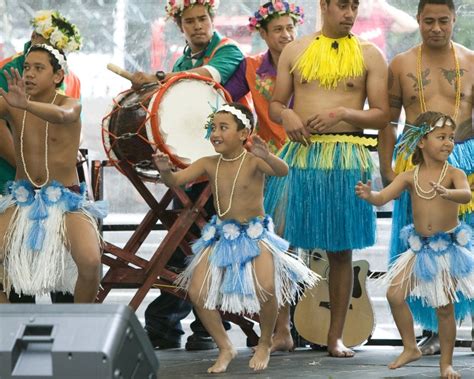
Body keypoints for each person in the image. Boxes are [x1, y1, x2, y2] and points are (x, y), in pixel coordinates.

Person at [153, 102, 318, 373]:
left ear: (244, 134)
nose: (215, 133)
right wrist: (164, 170)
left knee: (266, 287)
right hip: (221, 236)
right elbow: (176, 180)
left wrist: (267, 156)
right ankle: (225, 346)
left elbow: (282, 171)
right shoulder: (208, 163)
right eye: (213, 127)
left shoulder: (254, 161)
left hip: (255, 234)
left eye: (223, 127)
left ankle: (265, 342)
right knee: (196, 291)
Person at [264, 0, 389, 357]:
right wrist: (285, 114)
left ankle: (335, 336)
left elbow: (382, 115)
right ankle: (282, 329)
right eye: (341, 6)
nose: (349, 13)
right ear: (324, 5)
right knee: (283, 245)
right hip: (299, 156)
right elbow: (276, 103)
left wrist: (345, 112)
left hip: (345, 157)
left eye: (354, 6)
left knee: (340, 251)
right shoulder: (296, 49)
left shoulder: (370, 54)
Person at [131, 0, 245, 350]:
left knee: (207, 241)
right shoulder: (183, 60)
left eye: (202, 19)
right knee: (189, 242)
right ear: (181, 27)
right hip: (197, 162)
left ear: (212, 20)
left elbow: (207, 78)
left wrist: (159, 79)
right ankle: (175, 324)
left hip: (227, 163)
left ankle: (202, 327)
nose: (197, 26)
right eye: (190, 21)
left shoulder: (228, 51)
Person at [377, 0, 474, 355]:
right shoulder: (401, 64)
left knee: (465, 244)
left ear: (454, 19)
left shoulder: (472, 61)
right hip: (415, 162)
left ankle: (464, 323)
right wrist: (388, 168)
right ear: (418, 20)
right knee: (423, 239)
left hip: (463, 156)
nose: (436, 28)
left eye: (443, 21)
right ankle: (433, 328)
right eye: (428, 21)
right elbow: (388, 121)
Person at [356, 111, 472, 379]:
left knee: (444, 308)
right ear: (421, 141)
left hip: (447, 249)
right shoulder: (409, 176)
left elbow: (466, 195)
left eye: (451, 138)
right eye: (441, 137)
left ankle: (446, 364)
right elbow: (383, 196)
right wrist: (369, 195)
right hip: (419, 248)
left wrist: (449, 192)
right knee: (394, 295)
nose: (448, 143)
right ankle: (410, 346)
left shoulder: (454, 173)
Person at [225, 1, 304, 353]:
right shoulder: (252, 66)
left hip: (312, 160)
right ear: (262, 33)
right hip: (272, 166)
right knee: (279, 246)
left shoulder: (309, 60)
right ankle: (283, 328)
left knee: (317, 247)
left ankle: (317, 329)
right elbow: (226, 98)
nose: (286, 35)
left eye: (290, 28)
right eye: (278, 30)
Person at [0, 44, 106, 302]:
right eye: (26, 67)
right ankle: (5, 323)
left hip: (65, 199)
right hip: (21, 199)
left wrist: (26, 105)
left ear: (58, 76)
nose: (29, 74)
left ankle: (79, 327)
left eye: (39, 68)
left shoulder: (70, 104)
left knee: (90, 262)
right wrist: (18, 104)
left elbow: (62, 115)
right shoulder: (13, 104)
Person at [351, 0, 418, 56]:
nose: (364, 7)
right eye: (360, 3)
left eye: (367, 2)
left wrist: (384, 6)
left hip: (382, 67)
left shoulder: (378, 16)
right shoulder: (347, 22)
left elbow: (413, 25)